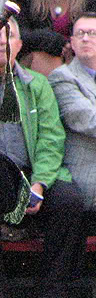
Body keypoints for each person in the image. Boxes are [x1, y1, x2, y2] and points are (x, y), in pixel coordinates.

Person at [0, 16, 83, 298]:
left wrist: (40, 184)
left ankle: (49, 292)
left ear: (19, 45)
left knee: (69, 200)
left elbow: (51, 138)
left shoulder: (38, 84)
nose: (1, 43)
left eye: (9, 37)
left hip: (32, 172)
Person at [49, 12, 96, 212]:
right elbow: (88, 121)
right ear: (72, 43)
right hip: (85, 177)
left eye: (92, 33)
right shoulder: (62, 77)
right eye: (80, 34)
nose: (86, 38)